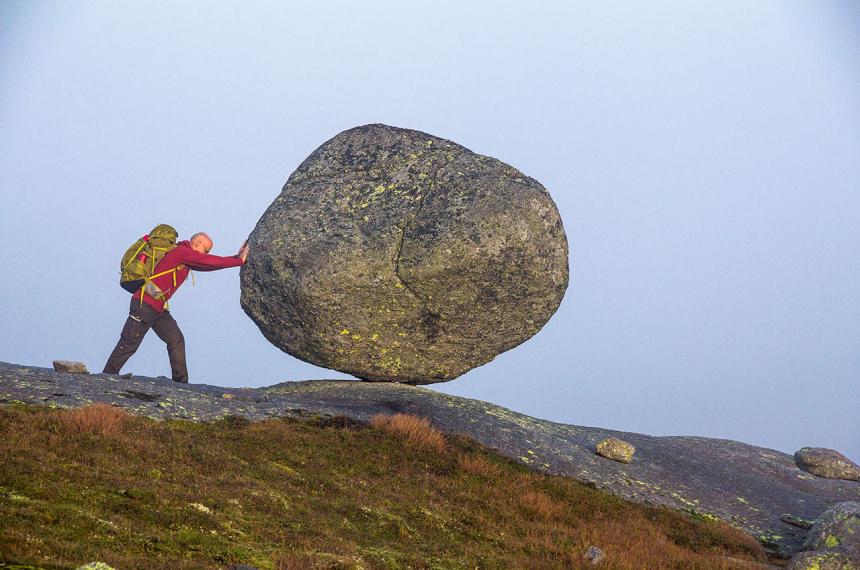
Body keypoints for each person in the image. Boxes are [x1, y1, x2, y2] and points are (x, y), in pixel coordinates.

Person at [103, 232, 249, 383]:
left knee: (176, 339)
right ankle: (105, 377)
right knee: (129, 343)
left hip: (158, 308)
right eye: (206, 250)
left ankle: (181, 382)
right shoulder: (181, 252)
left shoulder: (184, 255)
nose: (207, 253)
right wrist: (238, 262)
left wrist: (235, 259)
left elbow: (206, 264)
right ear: (198, 243)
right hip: (144, 304)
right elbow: (206, 261)